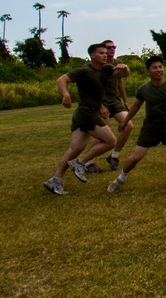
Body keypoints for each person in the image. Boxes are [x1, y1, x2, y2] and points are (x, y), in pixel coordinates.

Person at [44, 43, 129, 195]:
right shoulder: (84, 70)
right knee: (111, 141)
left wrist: (124, 67)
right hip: (87, 112)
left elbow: (123, 75)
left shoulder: (106, 69)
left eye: (106, 52)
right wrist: (66, 95)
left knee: (75, 149)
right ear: (92, 55)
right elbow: (61, 80)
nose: (105, 55)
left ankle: (55, 180)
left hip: (85, 113)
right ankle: (81, 163)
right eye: (102, 53)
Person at [107, 55, 166, 193]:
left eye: (160, 67)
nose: (158, 70)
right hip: (150, 128)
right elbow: (136, 106)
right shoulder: (144, 89)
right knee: (136, 157)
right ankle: (119, 179)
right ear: (148, 72)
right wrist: (125, 122)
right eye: (154, 68)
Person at [85, 39, 133, 173]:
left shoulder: (117, 64)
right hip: (101, 101)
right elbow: (90, 88)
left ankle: (114, 156)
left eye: (114, 47)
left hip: (114, 100)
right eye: (108, 48)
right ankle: (88, 162)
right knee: (103, 135)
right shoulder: (98, 65)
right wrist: (100, 106)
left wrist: (125, 100)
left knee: (128, 125)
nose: (112, 50)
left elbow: (121, 81)